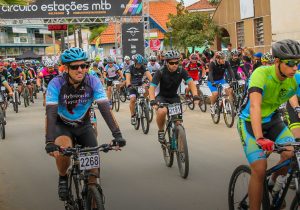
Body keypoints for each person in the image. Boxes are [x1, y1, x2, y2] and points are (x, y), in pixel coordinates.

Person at [44, 47, 126, 201]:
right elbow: (50, 113)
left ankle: (92, 196)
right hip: (62, 126)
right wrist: (49, 141)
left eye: (84, 65)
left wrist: (118, 135)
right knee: (63, 149)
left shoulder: (92, 80)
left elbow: (104, 108)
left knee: (93, 176)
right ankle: (62, 177)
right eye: (75, 67)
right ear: (66, 68)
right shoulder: (56, 83)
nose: (80, 69)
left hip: (84, 125)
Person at [237, 39, 300, 210]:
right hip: (250, 122)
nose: (295, 67)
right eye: (291, 63)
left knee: (290, 153)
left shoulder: (295, 78)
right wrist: (259, 137)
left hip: (273, 120)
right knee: (260, 167)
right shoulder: (261, 73)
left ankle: (272, 185)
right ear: (277, 61)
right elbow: (255, 106)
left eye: (298, 63)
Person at [148, 50, 200, 143]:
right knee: (162, 111)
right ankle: (161, 131)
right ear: (166, 63)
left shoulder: (181, 70)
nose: (175, 65)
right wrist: (152, 100)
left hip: (174, 97)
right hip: (162, 97)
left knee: (178, 122)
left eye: (176, 62)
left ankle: (180, 147)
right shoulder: (160, 72)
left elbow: (191, 83)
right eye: (172, 63)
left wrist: (195, 95)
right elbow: (152, 88)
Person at [125, 54, 152, 125]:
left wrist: (152, 83)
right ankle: (133, 116)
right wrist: (128, 84)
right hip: (132, 85)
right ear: (135, 62)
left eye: (141, 64)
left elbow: (150, 77)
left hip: (140, 84)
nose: (139, 65)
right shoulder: (130, 68)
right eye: (138, 64)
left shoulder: (143, 67)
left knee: (147, 89)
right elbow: (127, 79)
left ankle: (145, 103)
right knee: (133, 99)